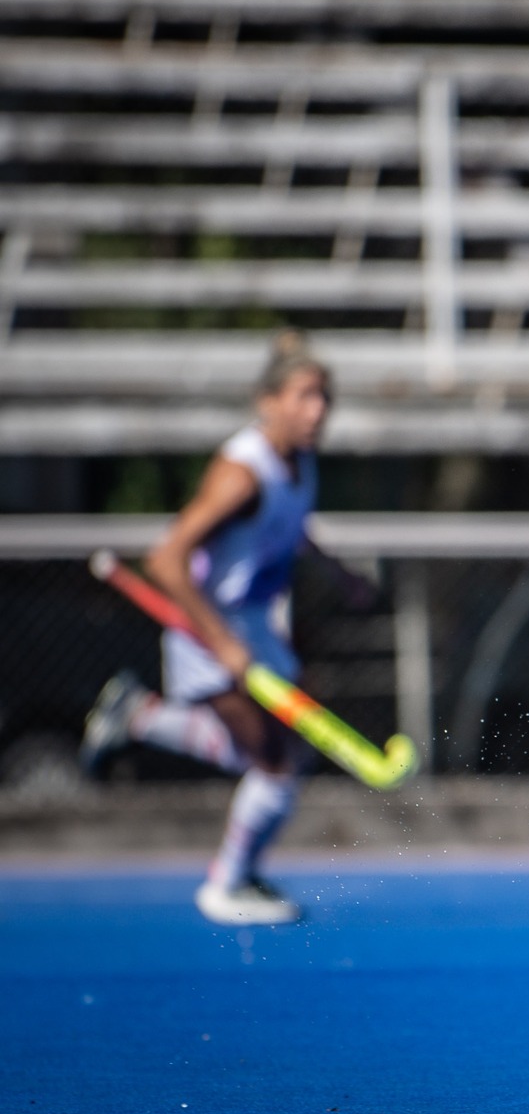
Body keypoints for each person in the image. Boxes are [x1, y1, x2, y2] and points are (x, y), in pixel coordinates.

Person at [80, 332, 371, 927]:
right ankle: (225, 885)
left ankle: (139, 717)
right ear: (268, 402)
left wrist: (337, 572)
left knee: (280, 755)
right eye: (304, 396)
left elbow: (288, 524)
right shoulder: (242, 473)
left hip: (255, 625)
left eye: (324, 397)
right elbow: (165, 560)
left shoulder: (300, 461)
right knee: (274, 764)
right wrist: (221, 643)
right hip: (208, 628)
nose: (317, 410)